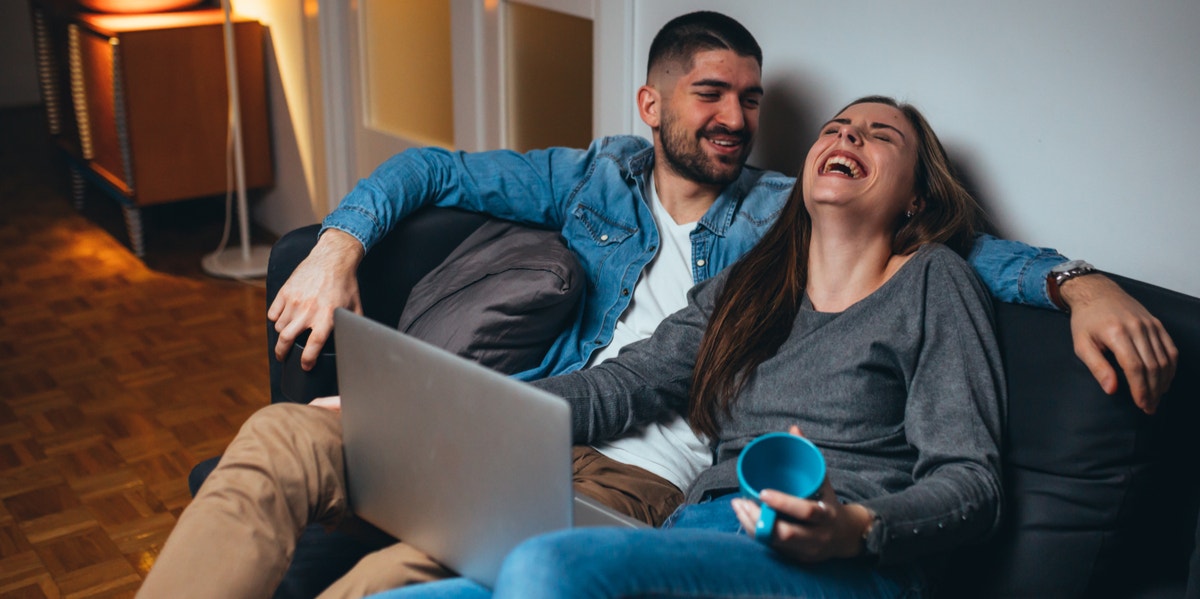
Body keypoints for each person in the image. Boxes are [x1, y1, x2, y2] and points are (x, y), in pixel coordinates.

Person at [140, 11, 1175, 599]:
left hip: (644, 488)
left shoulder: (793, 225)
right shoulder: (619, 193)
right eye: (710, 96)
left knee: (408, 580)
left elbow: (968, 255)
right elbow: (442, 178)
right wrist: (338, 246)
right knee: (280, 433)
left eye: (753, 101)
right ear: (653, 106)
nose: (738, 120)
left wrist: (1073, 280)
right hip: (536, 431)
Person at [368, 95, 1003, 599]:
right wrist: (454, 412)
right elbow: (626, 383)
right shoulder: (752, 285)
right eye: (834, 129)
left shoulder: (934, 280)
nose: (847, 137)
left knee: (544, 565)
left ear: (917, 196)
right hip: (701, 534)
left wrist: (855, 530)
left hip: (846, 560)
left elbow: (971, 481)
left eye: (879, 135)